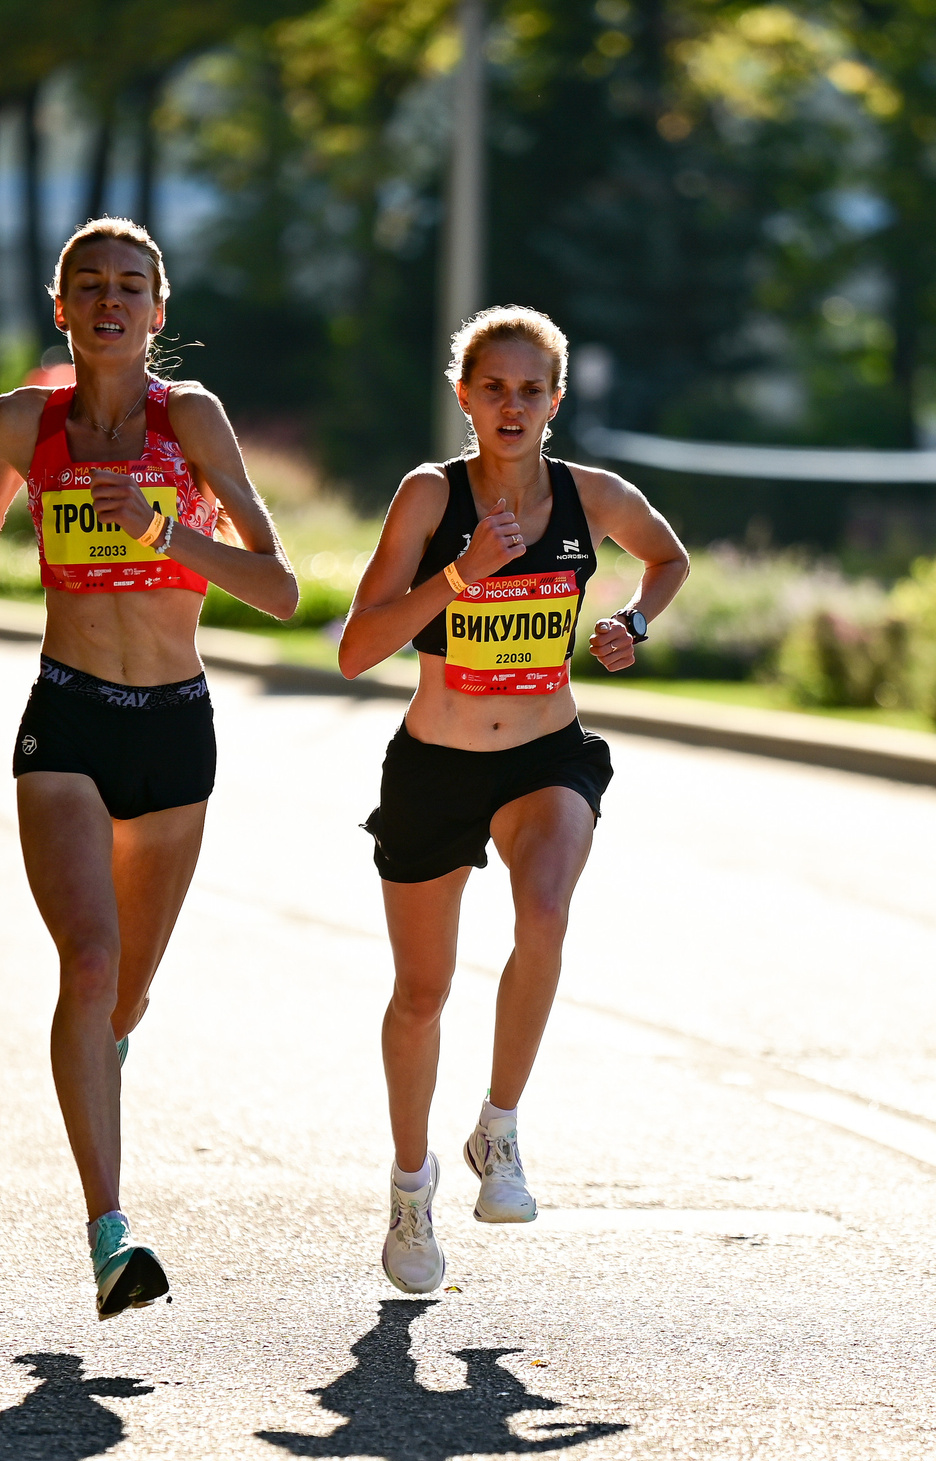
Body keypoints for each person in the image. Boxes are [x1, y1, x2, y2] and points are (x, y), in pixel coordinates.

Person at [0, 218, 300, 1319]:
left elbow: (279, 589)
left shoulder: (196, 421)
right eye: (91, 286)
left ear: (159, 314)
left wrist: (171, 532)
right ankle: (111, 1236)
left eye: (133, 287)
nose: (112, 302)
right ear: (61, 305)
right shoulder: (25, 420)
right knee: (87, 961)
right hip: (68, 716)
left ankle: (101, 1073)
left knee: (123, 996)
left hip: (173, 726)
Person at [336, 305, 690, 1294]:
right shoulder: (426, 498)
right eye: (493, 385)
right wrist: (460, 573)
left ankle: (499, 1128)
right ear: (464, 396)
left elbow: (669, 558)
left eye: (531, 388)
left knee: (543, 910)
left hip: (545, 751)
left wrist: (633, 625)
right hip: (435, 763)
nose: (512, 403)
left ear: (556, 402)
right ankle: (412, 1188)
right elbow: (357, 648)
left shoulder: (593, 497)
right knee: (422, 992)